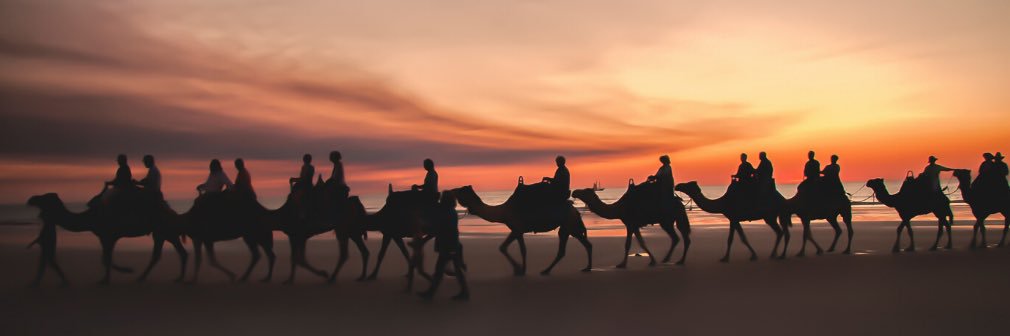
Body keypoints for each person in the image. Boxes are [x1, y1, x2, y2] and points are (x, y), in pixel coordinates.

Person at [417, 192, 469, 301]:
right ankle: (464, 293)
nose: (440, 200)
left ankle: (430, 294)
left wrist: (424, 229)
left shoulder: (446, 213)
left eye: (442, 199)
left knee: (440, 271)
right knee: (453, 270)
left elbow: (438, 228)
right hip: (453, 245)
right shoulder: (451, 211)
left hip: (448, 246)